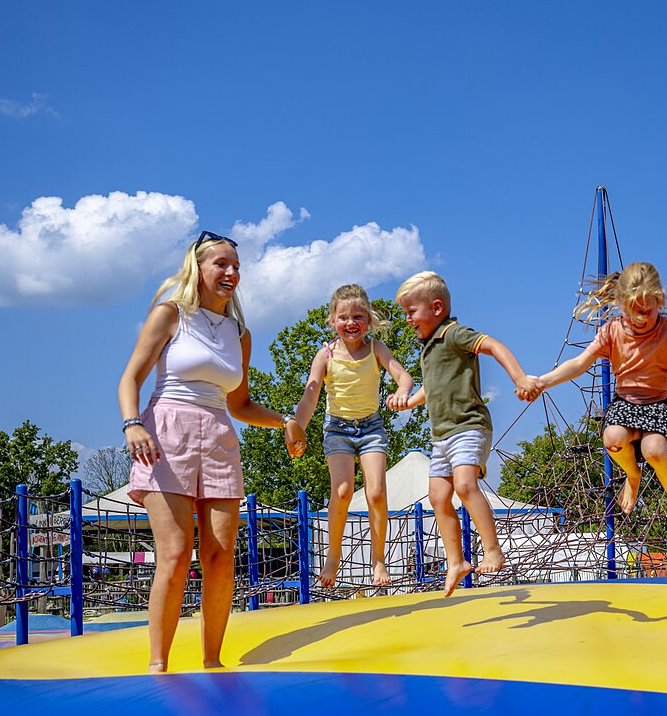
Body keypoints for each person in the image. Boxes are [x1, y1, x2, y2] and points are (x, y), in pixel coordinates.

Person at [118, 231, 300, 673]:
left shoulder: (240, 333)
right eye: (221, 264)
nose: (231, 272)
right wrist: (132, 424)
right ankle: (158, 663)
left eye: (236, 266)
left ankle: (213, 660)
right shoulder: (170, 315)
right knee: (177, 553)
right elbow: (130, 379)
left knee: (220, 556)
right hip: (167, 432)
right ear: (198, 268)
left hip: (218, 437)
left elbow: (239, 404)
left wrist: (284, 421)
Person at [392, 271, 541, 597]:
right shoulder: (428, 348)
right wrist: (408, 401)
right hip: (442, 436)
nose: (408, 319)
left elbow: (493, 345)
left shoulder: (453, 333)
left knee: (463, 485)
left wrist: (519, 377)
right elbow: (429, 389)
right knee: (437, 497)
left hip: (469, 426)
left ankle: (492, 550)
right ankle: (456, 561)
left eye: (411, 312)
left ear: (435, 307)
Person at [536, 262, 667, 537]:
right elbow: (579, 364)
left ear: (659, 300)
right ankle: (632, 475)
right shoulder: (612, 330)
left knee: (654, 450)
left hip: (658, 406)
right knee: (612, 437)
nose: (640, 319)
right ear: (620, 304)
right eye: (632, 313)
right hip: (624, 404)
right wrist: (543, 381)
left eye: (646, 312)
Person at [284, 284, 415, 588]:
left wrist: (403, 390)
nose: (351, 323)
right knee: (342, 491)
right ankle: (333, 556)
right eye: (343, 317)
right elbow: (310, 394)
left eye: (358, 316)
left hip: (371, 428)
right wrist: (298, 427)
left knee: (377, 492)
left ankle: (379, 558)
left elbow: (402, 374)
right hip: (338, 429)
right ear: (332, 321)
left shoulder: (375, 349)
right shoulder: (325, 355)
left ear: (368, 320)